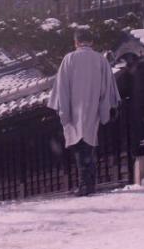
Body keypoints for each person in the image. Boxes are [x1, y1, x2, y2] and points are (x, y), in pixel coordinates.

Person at [48, 27, 120, 196]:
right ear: (92, 42)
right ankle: (89, 184)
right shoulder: (100, 60)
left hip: (74, 110)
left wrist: (63, 112)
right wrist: (106, 109)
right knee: (88, 146)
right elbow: (108, 87)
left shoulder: (69, 59)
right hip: (93, 109)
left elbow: (62, 88)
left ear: (76, 42)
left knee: (80, 148)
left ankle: (85, 185)